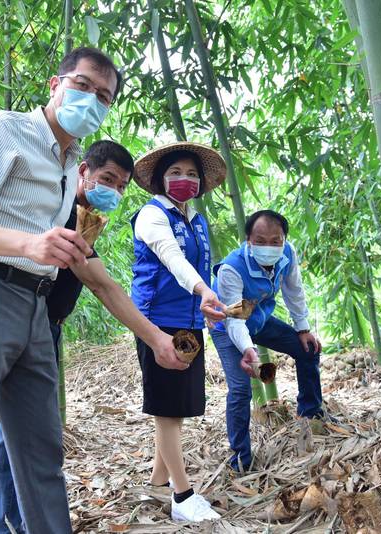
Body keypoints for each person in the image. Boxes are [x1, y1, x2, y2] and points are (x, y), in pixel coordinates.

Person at [0, 47, 184, 534]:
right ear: (56, 84)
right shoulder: (0, 129)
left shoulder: (70, 169)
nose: (91, 99)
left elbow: (99, 279)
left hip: (36, 311)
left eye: (103, 96)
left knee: (42, 455)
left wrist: (156, 339)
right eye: (83, 85)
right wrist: (31, 244)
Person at [0, 140, 185, 533]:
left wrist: (156, 338)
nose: (115, 190)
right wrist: (156, 337)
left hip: (48, 329)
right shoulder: (55, 205)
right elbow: (102, 285)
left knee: (20, 432)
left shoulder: (87, 216)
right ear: (83, 172)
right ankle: (2, 525)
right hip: (19, 323)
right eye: (107, 179)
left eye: (122, 185)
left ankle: (13, 522)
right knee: (15, 432)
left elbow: (99, 282)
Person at [130, 142, 228, 523]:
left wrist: (208, 305)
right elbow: (172, 258)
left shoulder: (198, 221)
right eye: (175, 173)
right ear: (160, 179)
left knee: (177, 406)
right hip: (158, 322)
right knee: (168, 410)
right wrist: (203, 291)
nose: (184, 179)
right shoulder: (152, 216)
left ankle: (157, 482)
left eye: (191, 173)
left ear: (201, 182)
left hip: (188, 321)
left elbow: (202, 268)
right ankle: (183, 495)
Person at [209, 209, 325, 473]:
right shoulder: (232, 268)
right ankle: (240, 457)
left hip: (259, 319)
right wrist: (248, 350)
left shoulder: (287, 254)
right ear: (248, 240)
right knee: (241, 390)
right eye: (260, 241)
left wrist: (303, 328)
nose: (269, 247)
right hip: (228, 327)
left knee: (307, 349)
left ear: (284, 240)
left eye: (276, 241)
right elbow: (235, 320)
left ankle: (310, 412)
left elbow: (294, 290)